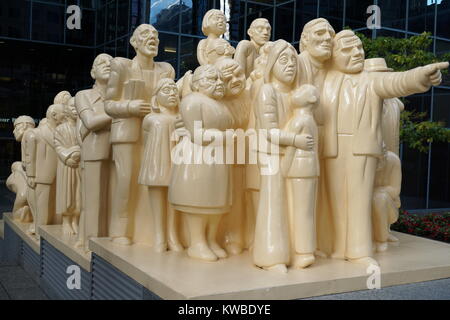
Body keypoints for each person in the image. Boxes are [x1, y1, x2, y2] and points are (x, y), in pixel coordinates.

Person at [322, 29, 448, 266]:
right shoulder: (325, 79)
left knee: (359, 199)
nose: (357, 53)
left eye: (359, 48)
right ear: (333, 55)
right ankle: (339, 247)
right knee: (335, 201)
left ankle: (359, 250)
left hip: (361, 148)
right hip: (331, 149)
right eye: (348, 50)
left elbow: (398, 81)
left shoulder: (371, 79)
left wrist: (421, 75)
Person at [105, 24, 175, 245]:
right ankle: (120, 231)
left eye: (155, 35)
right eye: (146, 35)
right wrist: (130, 106)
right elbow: (108, 104)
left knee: (157, 183)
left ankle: (156, 233)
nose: (152, 38)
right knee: (126, 182)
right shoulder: (122, 66)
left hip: (158, 133)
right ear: (134, 42)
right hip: (128, 133)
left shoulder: (166, 69)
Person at [253, 39, 313, 273]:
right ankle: (271, 256)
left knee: (297, 206)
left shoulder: (298, 93)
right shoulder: (267, 91)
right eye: (283, 60)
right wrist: (295, 140)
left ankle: (300, 250)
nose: (290, 65)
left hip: (296, 159)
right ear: (271, 65)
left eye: (293, 61)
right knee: (274, 204)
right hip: (272, 156)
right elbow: (269, 131)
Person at [169, 65, 234, 262]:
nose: (218, 83)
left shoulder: (221, 104)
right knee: (199, 200)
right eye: (212, 79)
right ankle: (197, 242)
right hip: (198, 157)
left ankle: (211, 239)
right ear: (197, 83)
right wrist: (224, 137)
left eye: (220, 79)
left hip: (218, 158)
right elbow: (197, 134)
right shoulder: (192, 101)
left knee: (216, 202)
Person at [298, 18, 336, 257]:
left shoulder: (334, 70)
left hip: (329, 138)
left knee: (326, 193)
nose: (327, 39)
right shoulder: (296, 65)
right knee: (303, 197)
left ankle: (321, 241)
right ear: (304, 40)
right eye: (320, 33)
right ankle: (302, 247)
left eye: (330, 35)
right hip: (301, 141)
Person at [138, 78, 183, 253]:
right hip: (156, 162)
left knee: (174, 200)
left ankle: (172, 235)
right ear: (155, 98)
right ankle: (159, 235)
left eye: (174, 90)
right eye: (166, 90)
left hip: (176, 161)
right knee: (157, 199)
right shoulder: (150, 118)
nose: (172, 94)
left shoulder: (180, 118)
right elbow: (145, 141)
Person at [75, 53, 113, 250]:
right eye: (101, 62)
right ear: (92, 72)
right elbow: (90, 122)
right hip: (93, 154)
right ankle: (92, 244)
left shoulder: (120, 95)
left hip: (119, 152)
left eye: (111, 63)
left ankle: (109, 242)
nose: (107, 65)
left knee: (116, 202)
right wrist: (119, 109)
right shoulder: (83, 96)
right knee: (93, 201)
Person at [214, 58, 250, 255]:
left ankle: (239, 237)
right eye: (230, 77)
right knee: (227, 198)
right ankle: (225, 237)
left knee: (243, 199)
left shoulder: (250, 96)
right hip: (223, 158)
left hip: (249, 156)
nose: (236, 80)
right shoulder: (216, 103)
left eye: (239, 75)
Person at [281, 84, 320, 269]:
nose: (295, 92)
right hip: (308, 169)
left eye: (301, 91)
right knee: (304, 210)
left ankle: (303, 253)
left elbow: (290, 150)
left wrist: (283, 169)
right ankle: (306, 249)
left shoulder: (299, 121)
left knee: (299, 211)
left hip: (299, 170)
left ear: (310, 99)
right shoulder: (309, 119)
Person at [26, 104, 66, 236]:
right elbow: (29, 157)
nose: (65, 115)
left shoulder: (61, 132)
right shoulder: (36, 134)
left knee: (55, 206)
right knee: (42, 207)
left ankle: (51, 232)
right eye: (63, 113)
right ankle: (40, 233)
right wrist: (31, 175)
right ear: (54, 115)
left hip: (59, 175)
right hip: (42, 176)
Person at [54, 98, 82, 235]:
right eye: (72, 107)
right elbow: (58, 147)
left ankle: (75, 221)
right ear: (66, 110)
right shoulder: (60, 129)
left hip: (79, 166)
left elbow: (85, 145)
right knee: (67, 193)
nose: (75, 110)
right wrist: (68, 157)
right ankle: (66, 221)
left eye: (77, 107)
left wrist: (79, 153)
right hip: (66, 166)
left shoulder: (82, 128)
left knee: (78, 193)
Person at [372, 144, 402, 252]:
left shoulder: (393, 161)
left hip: (388, 207)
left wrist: (375, 192)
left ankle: (381, 239)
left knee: (379, 198)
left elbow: (395, 190)